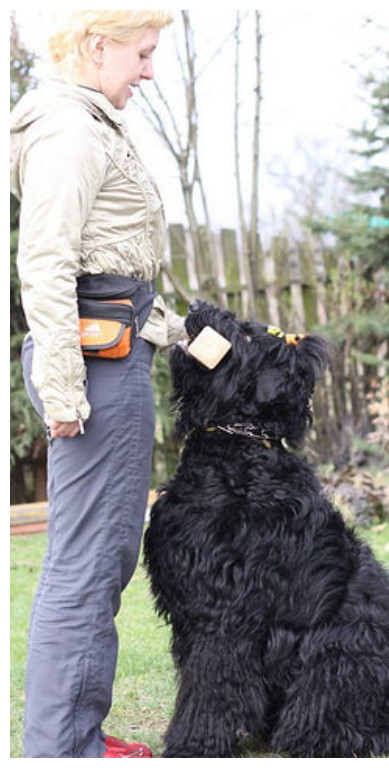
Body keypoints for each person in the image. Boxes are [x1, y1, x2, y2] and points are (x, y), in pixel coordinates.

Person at [10, 10, 183, 758]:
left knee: (99, 554)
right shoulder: (70, 131)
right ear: (96, 45)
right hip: (94, 368)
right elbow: (45, 264)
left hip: (112, 346)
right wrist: (65, 389)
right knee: (87, 560)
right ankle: (64, 749)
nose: (148, 70)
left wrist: (185, 336)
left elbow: (115, 265)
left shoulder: (85, 122)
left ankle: (75, 734)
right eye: (142, 54)